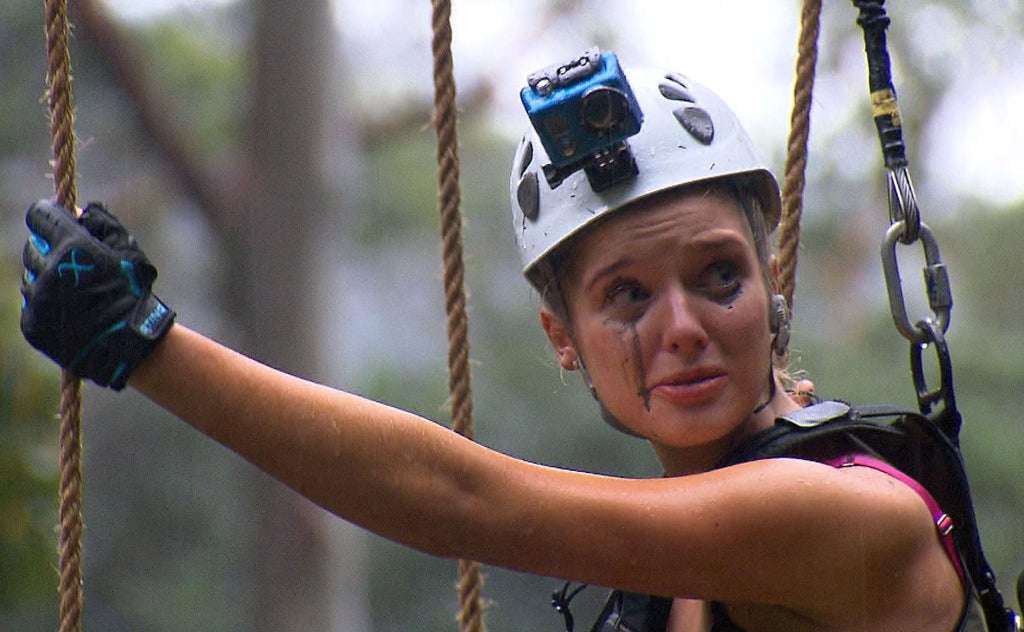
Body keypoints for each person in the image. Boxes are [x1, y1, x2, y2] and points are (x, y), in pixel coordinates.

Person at [20, 57, 969, 631]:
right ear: (563, 337)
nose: (683, 328)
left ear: (771, 287)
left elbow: (461, 498)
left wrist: (149, 348)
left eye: (720, 275)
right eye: (627, 297)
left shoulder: (841, 518)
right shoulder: (685, 566)